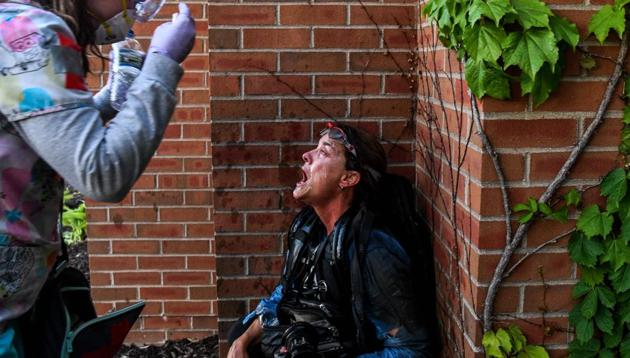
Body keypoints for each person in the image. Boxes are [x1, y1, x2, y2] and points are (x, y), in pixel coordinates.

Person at [0, 0, 195, 355]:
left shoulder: (13, 22)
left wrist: (105, 103)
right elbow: (101, 173)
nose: (140, 5)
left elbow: (37, 131)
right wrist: (163, 63)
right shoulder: (30, 31)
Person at [227, 123, 437, 358]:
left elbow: (412, 349)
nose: (306, 155)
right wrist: (242, 340)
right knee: (240, 334)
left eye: (324, 152)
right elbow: (286, 294)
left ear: (348, 178)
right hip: (315, 337)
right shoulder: (307, 229)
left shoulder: (372, 250)